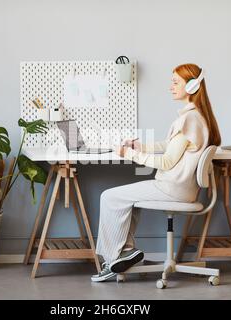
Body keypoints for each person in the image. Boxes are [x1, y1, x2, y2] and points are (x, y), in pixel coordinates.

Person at [91, 63, 221, 282]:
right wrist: (140, 146)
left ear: (191, 87)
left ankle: (116, 258)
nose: (170, 86)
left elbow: (168, 161)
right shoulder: (196, 117)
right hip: (180, 189)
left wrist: (129, 154)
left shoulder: (189, 119)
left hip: (172, 189)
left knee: (109, 196)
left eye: (175, 82)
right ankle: (124, 253)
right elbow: (169, 145)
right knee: (124, 200)